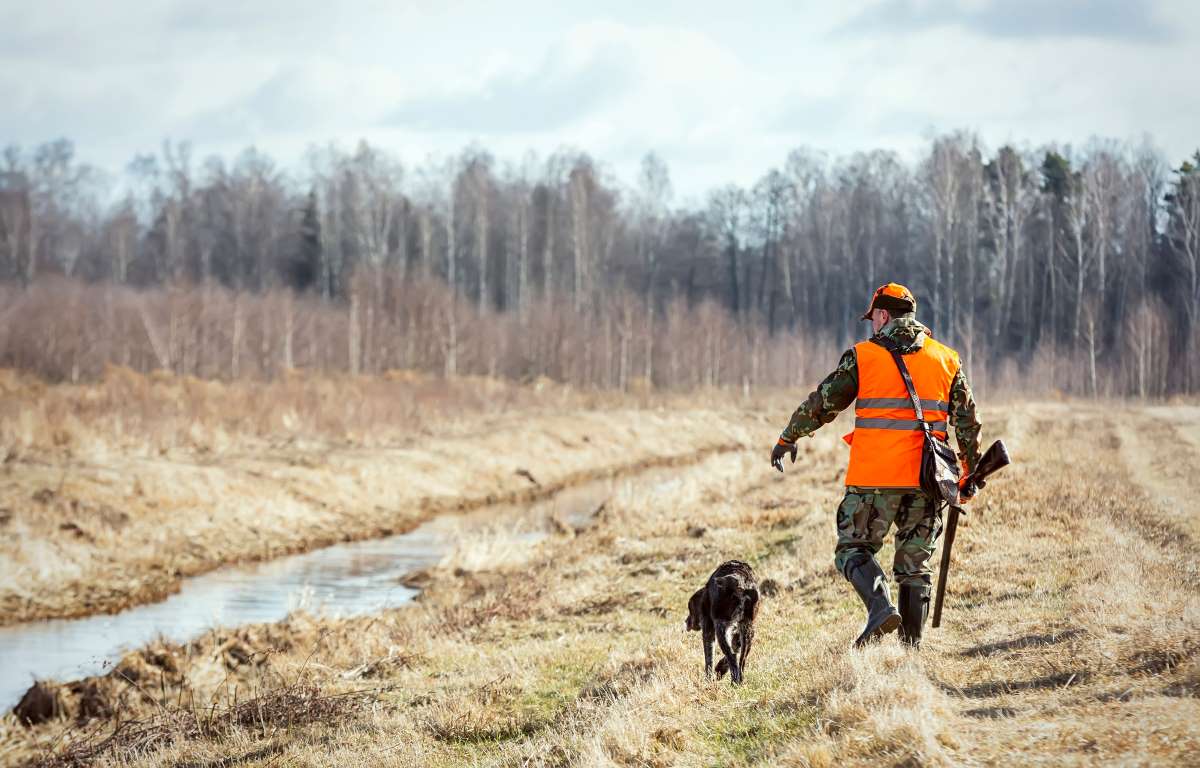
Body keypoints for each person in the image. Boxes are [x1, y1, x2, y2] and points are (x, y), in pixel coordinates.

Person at [770, 283, 982, 648]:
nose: (872, 325)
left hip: (873, 481)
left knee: (853, 549)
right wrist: (969, 473)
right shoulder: (947, 359)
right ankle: (910, 654)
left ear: (883, 315)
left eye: (873, 318)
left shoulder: (863, 357)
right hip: (927, 482)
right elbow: (967, 422)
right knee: (915, 566)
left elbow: (823, 403)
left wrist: (789, 436)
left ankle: (880, 608)